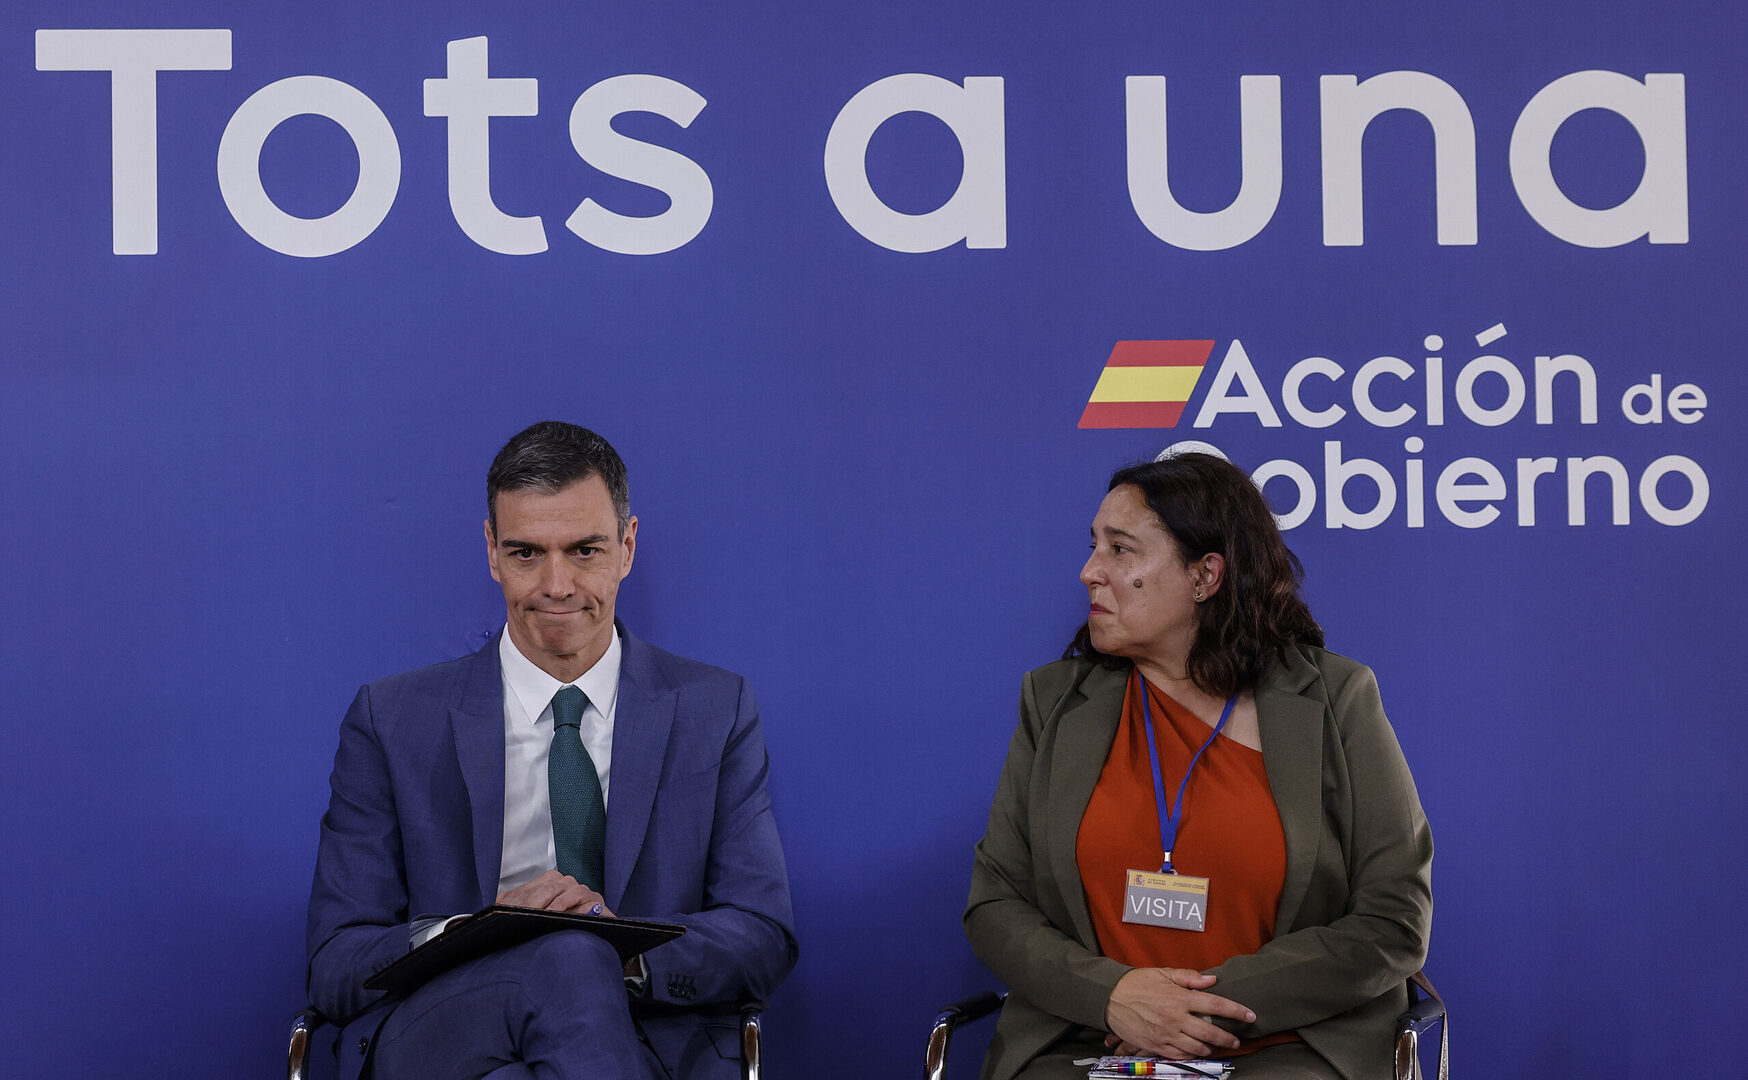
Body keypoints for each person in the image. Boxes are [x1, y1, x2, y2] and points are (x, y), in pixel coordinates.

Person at [306, 421, 797, 1080]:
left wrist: (619, 949)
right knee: (564, 956)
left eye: (585, 551)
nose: (557, 585)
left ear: (627, 546)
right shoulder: (390, 719)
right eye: (526, 553)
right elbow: (337, 963)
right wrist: (474, 931)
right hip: (445, 1030)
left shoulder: (716, 708)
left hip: (651, 1041)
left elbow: (762, 934)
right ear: (491, 551)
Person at [965, 453, 1432, 1080]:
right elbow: (996, 902)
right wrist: (1113, 995)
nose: (1089, 572)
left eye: (1120, 549)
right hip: (1092, 1041)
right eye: (1093, 546)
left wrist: (1191, 1011)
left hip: (1287, 1047)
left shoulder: (1335, 700)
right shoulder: (1052, 702)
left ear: (1205, 575)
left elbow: (1392, 919)